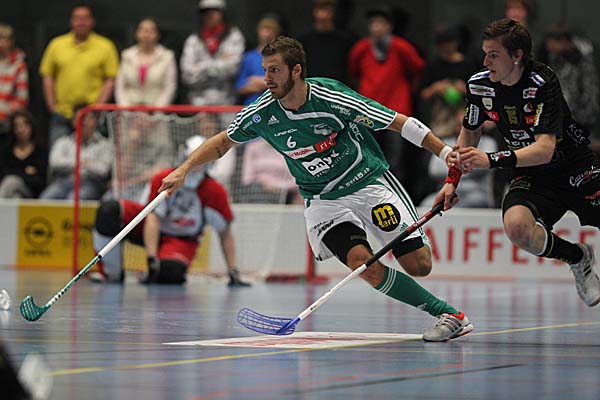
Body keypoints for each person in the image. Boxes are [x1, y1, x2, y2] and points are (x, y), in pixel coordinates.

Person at [159, 36, 473, 342]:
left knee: (419, 266)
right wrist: (183, 170)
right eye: (265, 70)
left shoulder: (330, 97)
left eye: (274, 70)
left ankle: (411, 252)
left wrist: (445, 153)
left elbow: (398, 122)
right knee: (363, 265)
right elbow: (222, 142)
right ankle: (449, 314)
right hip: (322, 198)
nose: (266, 78)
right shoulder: (262, 111)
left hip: (368, 183)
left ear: (296, 70)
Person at [435, 19, 600, 307]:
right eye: (485, 53)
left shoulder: (542, 82)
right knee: (517, 227)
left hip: (575, 166)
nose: (486, 62)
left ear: (517, 55)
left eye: (493, 55)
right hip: (531, 173)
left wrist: (490, 160)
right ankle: (578, 258)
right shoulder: (479, 85)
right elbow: (469, 134)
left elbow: (545, 149)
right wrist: (452, 180)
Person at [91, 135, 250, 287]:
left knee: (170, 273)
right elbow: (152, 218)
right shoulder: (163, 178)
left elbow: (224, 232)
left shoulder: (215, 192)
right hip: (149, 228)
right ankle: (112, 273)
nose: (196, 167)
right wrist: (151, 259)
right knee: (109, 211)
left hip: (181, 239)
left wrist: (232, 270)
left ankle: (161, 267)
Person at [348, 6, 425, 190]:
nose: (376, 27)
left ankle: (396, 193)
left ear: (389, 26)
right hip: (368, 110)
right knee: (367, 155)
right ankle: (370, 191)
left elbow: (419, 68)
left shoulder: (401, 47)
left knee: (395, 158)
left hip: (396, 110)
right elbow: (352, 71)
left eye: (380, 23)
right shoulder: (361, 48)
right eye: (373, 23)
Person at [39, 3, 119, 145]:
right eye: (77, 18)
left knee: (94, 156)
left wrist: (98, 107)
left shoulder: (105, 46)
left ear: (92, 21)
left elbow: (110, 79)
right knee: (58, 155)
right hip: (62, 114)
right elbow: (47, 76)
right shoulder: (56, 45)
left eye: (85, 18)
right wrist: (52, 106)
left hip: (92, 115)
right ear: (71, 21)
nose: (81, 22)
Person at [180, 0, 245, 107]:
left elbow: (233, 69)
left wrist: (200, 66)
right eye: (206, 12)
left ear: (222, 13)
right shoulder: (193, 39)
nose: (210, 15)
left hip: (226, 102)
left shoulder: (234, 36)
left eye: (214, 11)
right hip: (198, 103)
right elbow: (187, 75)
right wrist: (221, 64)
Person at [40, 105, 113, 200]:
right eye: (80, 118)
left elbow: (102, 170)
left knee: (73, 199)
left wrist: (70, 164)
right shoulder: (63, 142)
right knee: (45, 199)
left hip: (90, 183)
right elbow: (55, 163)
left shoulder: (105, 144)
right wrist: (83, 163)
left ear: (95, 121)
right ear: (73, 121)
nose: (83, 122)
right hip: (63, 181)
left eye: (87, 118)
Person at [115, 17, 177, 106]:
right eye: (143, 30)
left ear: (158, 35)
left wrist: (157, 110)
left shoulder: (167, 56)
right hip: (129, 109)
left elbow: (169, 87)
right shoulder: (126, 55)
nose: (146, 35)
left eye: (151, 31)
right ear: (136, 34)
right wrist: (126, 110)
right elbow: (120, 87)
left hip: (157, 109)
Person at [297, 0, 356, 85]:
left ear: (334, 12)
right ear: (314, 12)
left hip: (338, 88)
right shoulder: (303, 41)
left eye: (327, 10)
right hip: (311, 87)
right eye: (319, 10)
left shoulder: (347, 41)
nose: (323, 15)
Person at [235, 14, 282, 105]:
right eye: (265, 29)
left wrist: (262, 82)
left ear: (277, 33)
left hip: (276, 104)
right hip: (253, 104)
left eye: (271, 30)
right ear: (258, 31)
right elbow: (240, 87)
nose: (267, 34)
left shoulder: (281, 57)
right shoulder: (249, 57)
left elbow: (285, 83)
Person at [0, 110, 46, 199]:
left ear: (31, 127)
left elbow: (40, 181)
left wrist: (15, 172)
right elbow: (2, 174)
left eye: (24, 125)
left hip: (32, 194)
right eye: (16, 126)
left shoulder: (40, 151)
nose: (20, 130)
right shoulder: (7, 150)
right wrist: (26, 173)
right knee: (15, 195)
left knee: (11, 181)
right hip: (11, 192)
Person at [0, 23, 28, 135]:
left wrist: (3, 109)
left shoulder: (19, 66)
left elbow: (22, 100)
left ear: (11, 41)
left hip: (6, 121)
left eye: (3, 38)